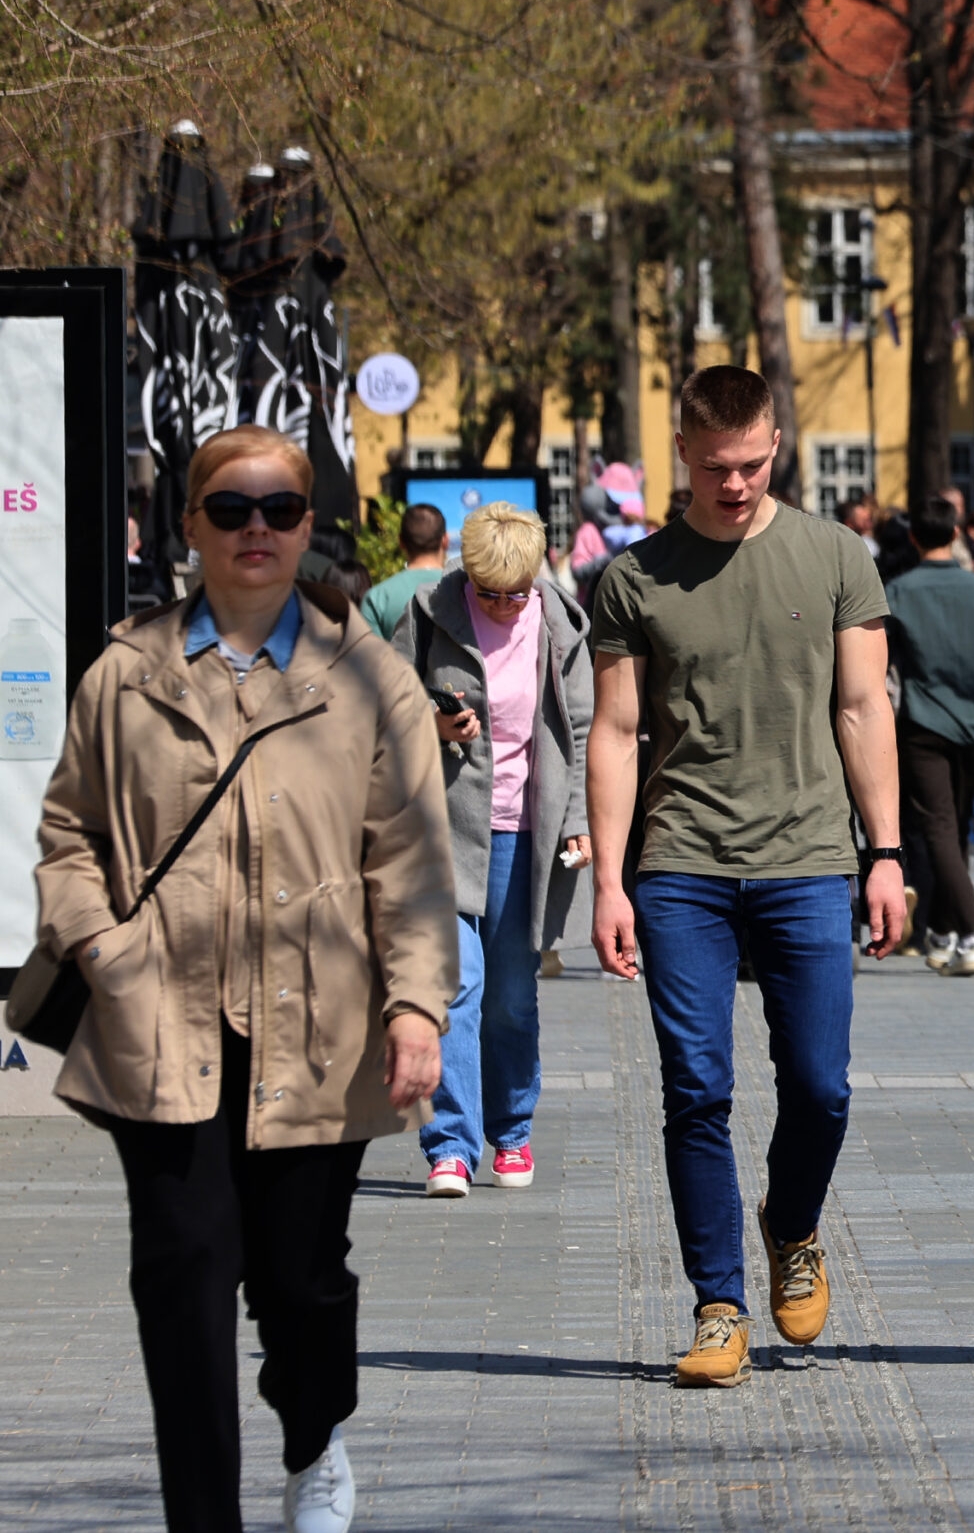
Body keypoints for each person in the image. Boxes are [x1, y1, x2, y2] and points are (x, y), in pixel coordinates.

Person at [33, 424, 456, 1533]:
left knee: (301, 1281)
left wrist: (417, 1007)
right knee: (183, 1275)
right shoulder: (124, 674)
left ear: (309, 527)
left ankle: (313, 1439)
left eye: (278, 509)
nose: (254, 529)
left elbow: (412, 861)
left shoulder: (370, 679)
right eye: (230, 509)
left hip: (319, 1028)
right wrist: (101, 949)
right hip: (158, 1025)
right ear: (191, 526)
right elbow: (69, 837)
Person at [586, 365, 907, 1388]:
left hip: (808, 859)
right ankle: (718, 1305)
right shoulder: (635, 577)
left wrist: (887, 852)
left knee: (820, 1087)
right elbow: (616, 731)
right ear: (682, 450)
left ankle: (792, 1222)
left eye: (753, 464)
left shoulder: (835, 555)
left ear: (776, 444)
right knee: (696, 1090)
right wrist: (608, 881)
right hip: (680, 863)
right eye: (716, 466)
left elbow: (863, 706)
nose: (735, 484)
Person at [394, 503, 593, 1198]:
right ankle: (450, 1146)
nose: (505, 605)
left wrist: (577, 819)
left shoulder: (560, 624)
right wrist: (433, 721)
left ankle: (511, 1129)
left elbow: (581, 730)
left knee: (511, 995)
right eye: (489, 593)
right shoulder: (430, 610)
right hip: (441, 827)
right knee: (457, 986)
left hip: (523, 833)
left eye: (517, 592)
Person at [886, 494, 974, 976]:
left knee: (940, 829)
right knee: (953, 827)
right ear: (957, 532)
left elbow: (886, 666)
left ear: (914, 537)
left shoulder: (898, 591)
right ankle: (944, 935)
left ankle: (969, 932)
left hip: (921, 723)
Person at [360, 501, 447, 639]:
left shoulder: (377, 598)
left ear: (401, 541)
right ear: (445, 540)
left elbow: (368, 651)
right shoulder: (469, 592)